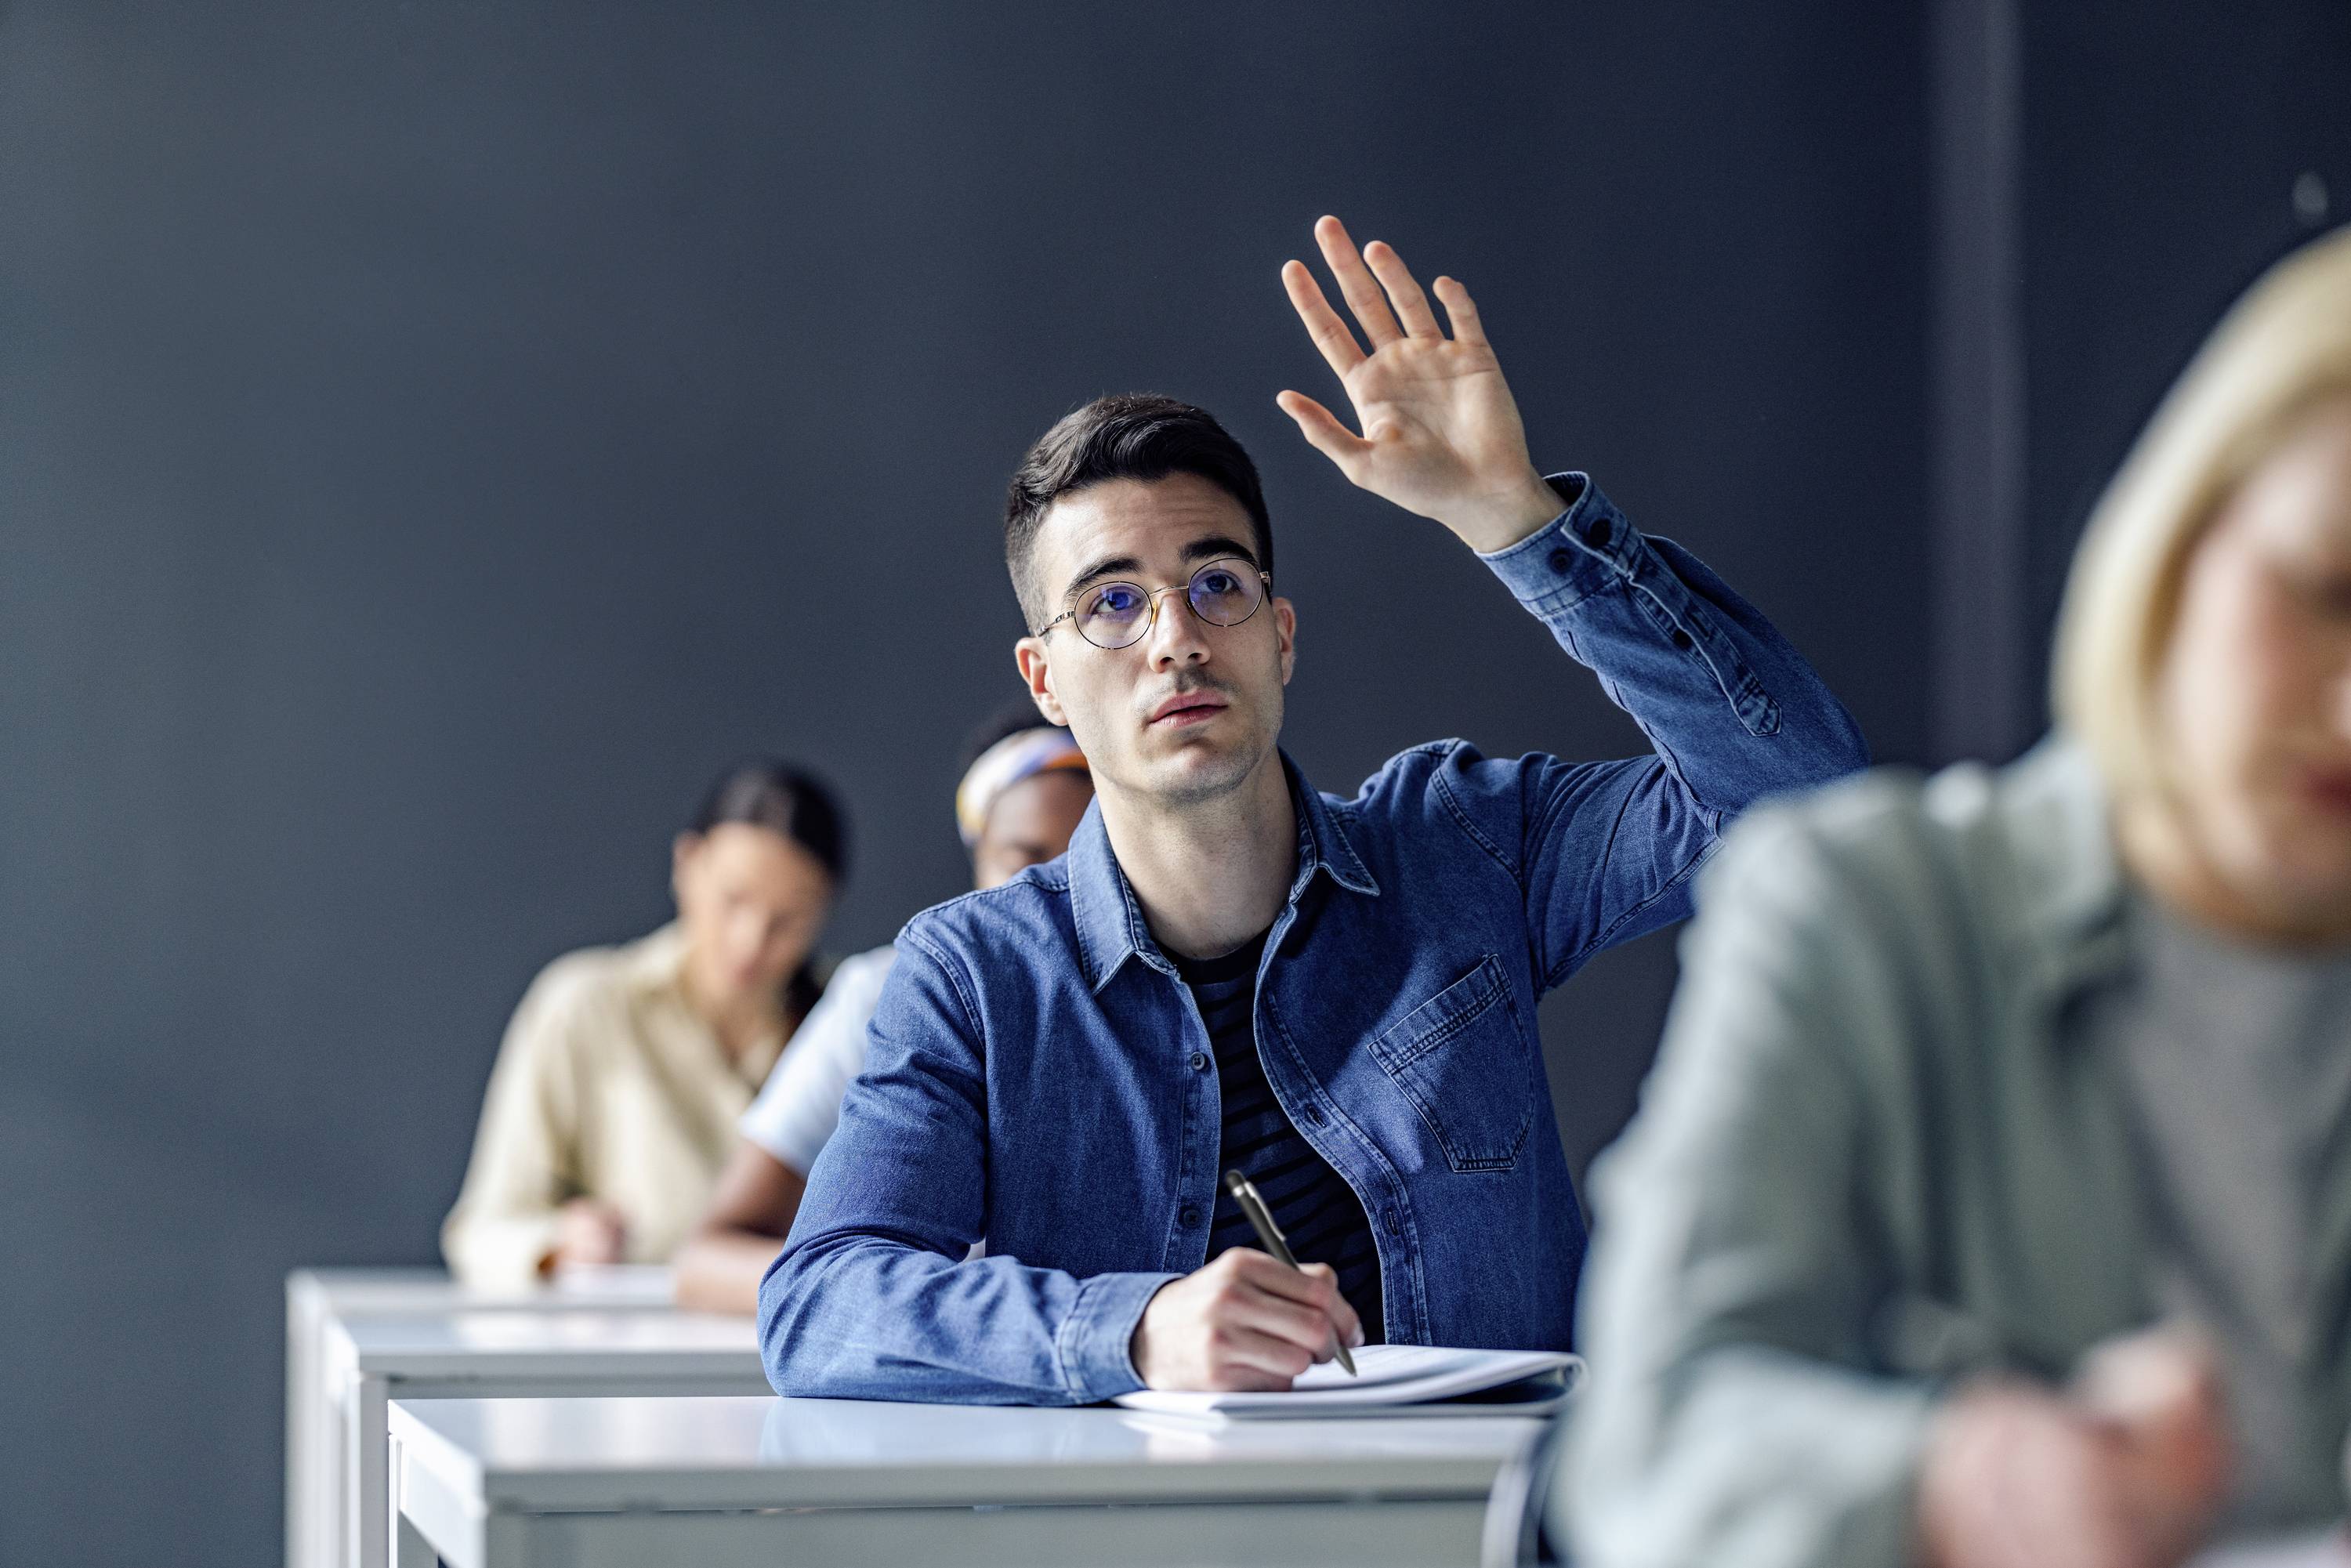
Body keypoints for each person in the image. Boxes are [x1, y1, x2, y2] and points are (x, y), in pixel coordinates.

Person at [758, 215, 1869, 1404]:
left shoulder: (1462, 846)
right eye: (1112, 605)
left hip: (1483, 1521)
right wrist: (1133, 1331)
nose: (1177, 635)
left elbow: (1799, 797)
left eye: (1216, 585)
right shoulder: (973, 976)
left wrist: (1520, 521)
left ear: (1279, 640)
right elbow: (821, 1307)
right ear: (1047, 684)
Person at [1563, 224, 2351, 1568]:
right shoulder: (1868, 912)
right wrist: (1959, 1481)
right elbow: (1647, 1450)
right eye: (2327, 592)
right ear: (2182, 538)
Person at [672, 712, 1094, 1313]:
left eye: (1084, 866)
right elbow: (705, 1259)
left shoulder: (1181, 999)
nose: (1049, 895)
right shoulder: (883, 994)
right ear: (976, 856)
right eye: (1020, 861)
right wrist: (905, 1299)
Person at [440, 759, 846, 1290]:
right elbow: (481, 1228)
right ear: (687, 865)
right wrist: (559, 1244)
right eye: (733, 899)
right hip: (626, 1351)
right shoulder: (585, 1006)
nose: (752, 940)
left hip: (803, 1347)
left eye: (788, 919)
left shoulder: (851, 1020)